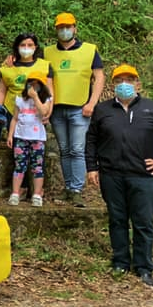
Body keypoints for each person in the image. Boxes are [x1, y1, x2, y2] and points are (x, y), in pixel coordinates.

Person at [86, 64, 153, 288]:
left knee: (143, 222)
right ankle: (121, 261)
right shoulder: (103, 110)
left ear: (138, 83)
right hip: (111, 175)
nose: (124, 84)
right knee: (117, 219)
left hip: (142, 176)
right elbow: (91, 140)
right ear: (113, 85)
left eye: (129, 79)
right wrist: (92, 167)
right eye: (120, 80)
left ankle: (144, 267)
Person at [46, 12, 105, 207]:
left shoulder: (89, 50)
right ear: (56, 30)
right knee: (64, 150)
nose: (64, 30)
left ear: (75, 28)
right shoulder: (47, 52)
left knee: (77, 149)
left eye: (68, 27)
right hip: (57, 109)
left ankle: (77, 190)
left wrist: (92, 103)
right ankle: (69, 187)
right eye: (61, 27)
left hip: (80, 108)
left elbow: (99, 77)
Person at [0, 33, 53, 143]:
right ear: (17, 47)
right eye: (23, 45)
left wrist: (49, 110)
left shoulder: (44, 65)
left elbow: (49, 91)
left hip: (37, 110)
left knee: (36, 145)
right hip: (13, 110)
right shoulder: (8, 66)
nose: (26, 48)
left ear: (36, 47)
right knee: (16, 145)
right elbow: (2, 90)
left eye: (30, 45)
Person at [5, 71, 53, 207]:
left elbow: (44, 112)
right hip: (21, 137)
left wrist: (36, 97)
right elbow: (15, 118)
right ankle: (15, 193)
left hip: (37, 138)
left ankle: (37, 195)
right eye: (31, 83)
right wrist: (10, 135)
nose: (33, 86)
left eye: (37, 83)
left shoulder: (46, 99)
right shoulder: (20, 99)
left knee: (37, 167)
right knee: (20, 165)